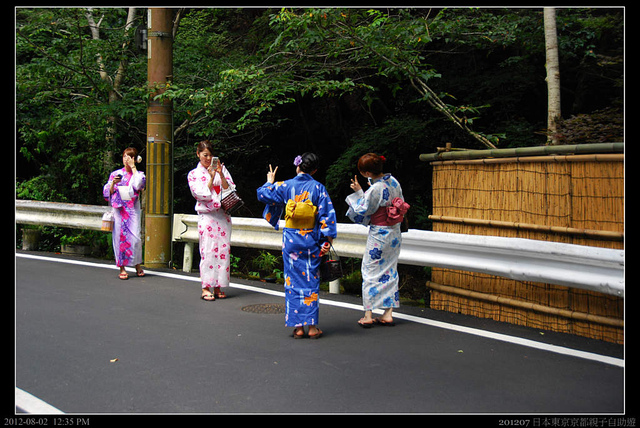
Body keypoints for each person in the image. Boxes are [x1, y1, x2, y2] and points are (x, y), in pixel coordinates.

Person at [257, 153, 338, 339]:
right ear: (314, 170)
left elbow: (262, 194)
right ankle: (312, 327)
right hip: (311, 239)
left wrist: (270, 181)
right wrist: (327, 241)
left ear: (298, 166)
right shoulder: (318, 188)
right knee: (311, 281)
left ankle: (299, 327)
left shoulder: (286, 185)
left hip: (292, 240)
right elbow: (327, 216)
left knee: (292, 281)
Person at [345, 153, 409, 328]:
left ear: (366, 173)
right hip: (394, 231)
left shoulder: (375, 188)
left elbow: (364, 208)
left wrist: (359, 193)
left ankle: (368, 314)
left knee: (370, 270)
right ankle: (388, 313)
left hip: (379, 233)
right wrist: (366, 190)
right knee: (390, 269)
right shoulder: (393, 181)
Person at [187, 140, 235, 301]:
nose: (208, 158)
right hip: (207, 215)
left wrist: (220, 174)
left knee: (223, 250)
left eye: (210, 155)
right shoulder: (193, 174)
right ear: (198, 154)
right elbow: (200, 194)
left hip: (222, 215)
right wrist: (211, 178)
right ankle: (206, 286)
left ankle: (218, 286)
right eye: (204, 155)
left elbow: (231, 189)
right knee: (207, 250)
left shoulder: (222, 169)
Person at [103, 147, 146, 280]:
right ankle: (122, 267)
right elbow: (107, 192)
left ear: (135, 159)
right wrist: (113, 184)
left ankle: (137, 264)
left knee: (135, 238)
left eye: (129, 157)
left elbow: (139, 185)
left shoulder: (139, 174)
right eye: (124, 156)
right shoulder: (116, 174)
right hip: (119, 210)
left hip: (132, 210)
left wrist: (133, 167)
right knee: (119, 238)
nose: (126, 159)